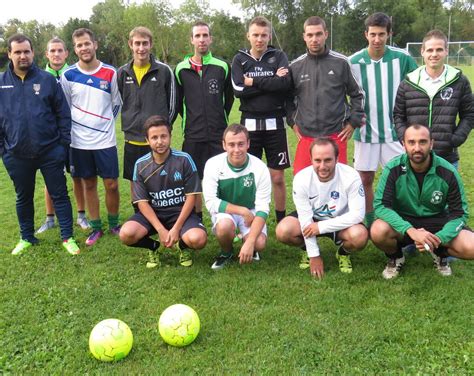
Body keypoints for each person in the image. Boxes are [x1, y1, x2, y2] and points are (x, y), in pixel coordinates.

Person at [0, 34, 79, 255]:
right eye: (17, 52)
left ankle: (67, 237)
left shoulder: (46, 80)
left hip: (50, 151)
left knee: (60, 194)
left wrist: (62, 145)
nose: (22, 56)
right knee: (23, 197)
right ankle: (26, 237)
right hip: (15, 154)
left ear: (33, 53)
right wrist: (3, 151)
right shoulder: (1, 83)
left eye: (26, 51)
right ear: (9, 54)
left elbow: (63, 114)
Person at [371, 124, 474, 279]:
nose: (417, 147)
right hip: (404, 221)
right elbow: (380, 205)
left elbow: (459, 213)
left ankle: (439, 253)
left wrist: (439, 238)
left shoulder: (448, 171)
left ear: (431, 143)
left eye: (423, 142)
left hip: (437, 220)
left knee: (471, 246)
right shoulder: (393, 168)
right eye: (411, 142)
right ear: (403, 144)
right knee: (378, 230)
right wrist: (410, 230)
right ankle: (396, 256)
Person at [349, 13, 417, 228]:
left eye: (381, 34)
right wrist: (352, 119)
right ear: (365, 34)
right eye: (372, 34)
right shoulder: (353, 62)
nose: (376, 39)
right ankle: (369, 221)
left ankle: (400, 220)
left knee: (400, 180)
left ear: (389, 34)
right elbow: (342, 95)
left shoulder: (402, 58)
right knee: (365, 180)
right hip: (365, 132)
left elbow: (418, 88)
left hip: (395, 132)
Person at [60, 28, 122, 247]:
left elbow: (116, 103)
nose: (84, 48)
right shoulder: (67, 75)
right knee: (88, 183)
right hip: (79, 142)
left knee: (112, 184)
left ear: (95, 44)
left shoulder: (111, 73)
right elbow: (65, 108)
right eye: (79, 45)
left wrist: (104, 124)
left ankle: (114, 224)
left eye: (87, 43)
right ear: (74, 49)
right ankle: (96, 228)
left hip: (105, 139)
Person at [119, 115, 207, 268]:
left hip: (180, 213)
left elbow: (192, 197)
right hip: (154, 214)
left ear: (170, 137)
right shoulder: (140, 165)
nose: (159, 141)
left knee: (198, 239)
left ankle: (182, 246)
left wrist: (176, 228)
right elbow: (141, 202)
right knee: (126, 234)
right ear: (147, 140)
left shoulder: (184, 159)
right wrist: (160, 229)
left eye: (163, 136)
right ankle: (154, 247)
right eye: (154, 137)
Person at [276, 138, 368, 279]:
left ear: (337, 159)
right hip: (312, 220)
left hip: (341, 220)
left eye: (328, 160)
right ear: (311, 159)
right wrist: (314, 255)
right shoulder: (301, 179)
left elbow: (357, 215)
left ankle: (343, 253)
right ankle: (306, 250)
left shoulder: (351, 176)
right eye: (317, 160)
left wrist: (321, 226)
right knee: (284, 230)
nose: (322, 166)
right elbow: (306, 219)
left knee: (360, 236)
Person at [231, 16, 291, 223]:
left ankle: (281, 220)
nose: (259, 39)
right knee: (250, 178)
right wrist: (271, 81)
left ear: (269, 36)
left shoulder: (278, 55)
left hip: (276, 125)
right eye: (255, 35)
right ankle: (250, 220)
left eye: (264, 35)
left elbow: (284, 85)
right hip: (250, 126)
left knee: (277, 177)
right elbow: (238, 89)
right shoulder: (239, 59)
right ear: (248, 36)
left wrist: (253, 81)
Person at [287, 16, 365, 175]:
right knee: (303, 182)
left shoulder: (341, 62)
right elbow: (287, 99)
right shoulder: (295, 66)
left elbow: (358, 94)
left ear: (326, 34)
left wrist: (353, 122)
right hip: (306, 136)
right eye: (310, 35)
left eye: (318, 34)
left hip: (336, 135)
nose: (314, 39)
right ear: (304, 37)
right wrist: (292, 122)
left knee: (337, 184)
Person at [175, 21, 234, 220]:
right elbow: (180, 103)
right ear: (191, 40)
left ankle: (225, 218)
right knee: (194, 179)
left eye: (205, 35)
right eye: (197, 36)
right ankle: (197, 219)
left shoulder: (223, 67)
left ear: (210, 39)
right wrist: (194, 119)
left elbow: (228, 99)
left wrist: (217, 117)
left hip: (218, 133)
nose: (201, 39)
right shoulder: (180, 69)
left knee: (223, 177)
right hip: (193, 134)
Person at [394, 29, 473, 168]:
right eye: (430, 50)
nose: (434, 54)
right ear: (422, 51)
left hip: (447, 158)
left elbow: (469, 114)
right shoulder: (408, 82)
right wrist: (405, 139)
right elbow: (398, 116)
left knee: (447, 191)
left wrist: (455, 139)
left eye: (439, 50)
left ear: (446, 51)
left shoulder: (459, 80)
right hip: (415, 157)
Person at [36, 37, 90, 234]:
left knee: (77, 176)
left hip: (75, 135)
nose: (56, 54)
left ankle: (82, 216)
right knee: (50, 179)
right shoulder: (40, 77)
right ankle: (50, 219)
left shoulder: (75, 73)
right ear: (46, 54)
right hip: (50, 139)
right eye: (53, 51)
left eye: (60, 50)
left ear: (67, 53)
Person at [117, 26, 177, 196]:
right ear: (130, 44)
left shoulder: (164, 71)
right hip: (132, 138)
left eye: (145, 43)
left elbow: (173, 104)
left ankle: (162, 213)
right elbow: (120, 101)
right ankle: (139, 213)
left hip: (158, 139)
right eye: (137, 43)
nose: (141, 48)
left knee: (160, 179)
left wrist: (163, 129)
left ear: (151, 44)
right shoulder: (122, 73)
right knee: (135, 179)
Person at [203, 124, 271, 270]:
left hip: (251, 210)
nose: (236, 149)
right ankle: (226, 253)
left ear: (248, 144)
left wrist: (250, 241)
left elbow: (263, 207)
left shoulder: (260, 167)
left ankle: (247, 243)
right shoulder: (213, 164)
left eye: (241, 144)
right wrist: (242, 211)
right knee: (225, 227)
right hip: (227, 212)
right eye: (231, 144)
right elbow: (211, 202)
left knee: (259, 243)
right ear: (224, 145)